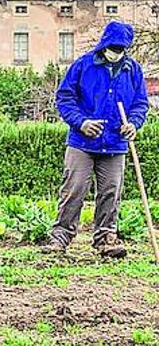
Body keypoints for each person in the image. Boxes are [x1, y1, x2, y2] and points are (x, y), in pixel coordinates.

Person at [47, 20, 149, 257]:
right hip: (82, 142)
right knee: (74, 188)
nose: (116, 52)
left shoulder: (132, 70)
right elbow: (64, 98)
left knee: (111, 191)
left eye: (121, 48)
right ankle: (60, 238)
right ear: (104, 45)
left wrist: (133, 123)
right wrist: (81, 122)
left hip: (115, 143)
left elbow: (140, 103)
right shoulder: (83, 66)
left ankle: (105, 240)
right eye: (113, 47)